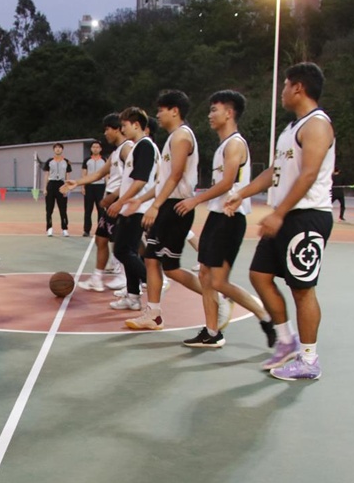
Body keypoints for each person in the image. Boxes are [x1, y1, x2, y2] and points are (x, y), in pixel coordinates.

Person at [224, 62, 335, 381]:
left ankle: (309, 361)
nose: (282, 92)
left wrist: (279, 212)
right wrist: (241, 192)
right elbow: (274, 172)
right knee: (259, 275)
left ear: (298, 87)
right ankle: (286, 341)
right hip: (287, 215)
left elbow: (309, 174)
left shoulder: (317, 124)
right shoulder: (291, 129)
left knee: (302, 289)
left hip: (308, 216)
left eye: (285, 86)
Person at [173, 89, 276, 348]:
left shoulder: (234, 144)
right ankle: (212, 332)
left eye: (214, 110)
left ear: (229, 113)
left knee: (218, 281)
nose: (210, 115)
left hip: (231, 219)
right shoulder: (223, 146)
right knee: (205, 274)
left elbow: (228, 182)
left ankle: (266, 317)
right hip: (217, 216)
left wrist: (195, 200)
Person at [122, 90, 204, 331]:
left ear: (174, 111)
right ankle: (154, 313)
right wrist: (141, 200)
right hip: (167, 204)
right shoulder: (172, 138)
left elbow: (176, 176)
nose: (157, 115)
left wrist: (155, 206)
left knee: (171, 267)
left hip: (175, 207)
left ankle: (215, 297)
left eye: (161, 110)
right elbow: (162, 181)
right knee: (150, 259)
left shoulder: (182, 137)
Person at [62, 113, 132, 292]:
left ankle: (126, 277)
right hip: (111, 200)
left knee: (122, 242)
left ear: (118, 129)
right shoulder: (116, 152)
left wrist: (114, 196)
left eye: (108, 129)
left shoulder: (127, 149)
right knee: (101, 239)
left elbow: (133, 178)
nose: (105, 133)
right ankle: (97, 278)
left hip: (119, 200)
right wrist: (77, 182)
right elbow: (99, 174)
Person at [106, 107, 159, 312]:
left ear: (136, 125)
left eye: (125, 125)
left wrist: (120, 202)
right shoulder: (139, 146)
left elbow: (140, 180)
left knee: (121, 250)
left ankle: (153, 281)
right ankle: (133, 296)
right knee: (129, 251)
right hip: (133, 207)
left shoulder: (144, 146)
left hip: (137, 208)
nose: (123, 129)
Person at [43, 143, 72, 237]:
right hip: (51, 184)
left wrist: (66, 188)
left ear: (62, 149)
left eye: (59, 148)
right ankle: (49, 228)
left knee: (63, 209)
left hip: (61, 185)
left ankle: (64, 229)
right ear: (53, 150)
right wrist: (45, 188)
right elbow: (46, 175)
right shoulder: (49, 161)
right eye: (56, 148)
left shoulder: (66, 161)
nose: (58, 149)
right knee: (49, 209)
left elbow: (68, 176)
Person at [81, 141, 107, 237]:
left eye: (97, 147)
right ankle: (86, 230)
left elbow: (107, 175)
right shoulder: (87, 160)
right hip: (89, 186)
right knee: (88, 210)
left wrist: (107, 188)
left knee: (101, 210)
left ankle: (101, 230)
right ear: (91, 149)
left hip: (100, 187)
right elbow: (84, 174)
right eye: (94, 147)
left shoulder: (104, 160)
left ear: (100, 149)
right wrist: (83, 186)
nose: (95, 148)